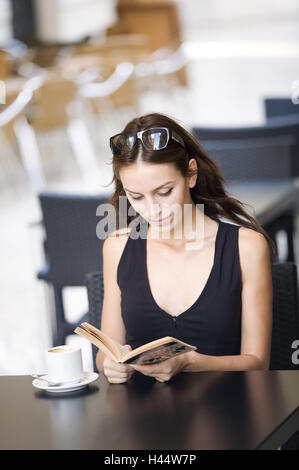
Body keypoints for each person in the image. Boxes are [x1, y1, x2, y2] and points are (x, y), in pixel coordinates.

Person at [96, 112, 274, 383]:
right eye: (136, 197)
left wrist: (191, 362)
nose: (152, 210)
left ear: (190, 173)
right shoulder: (117, 247)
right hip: (142, 417)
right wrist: (110, 365)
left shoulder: (246, 247)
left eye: (165, 192)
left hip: (227, 412)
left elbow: (257, 363)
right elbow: (106, 352)